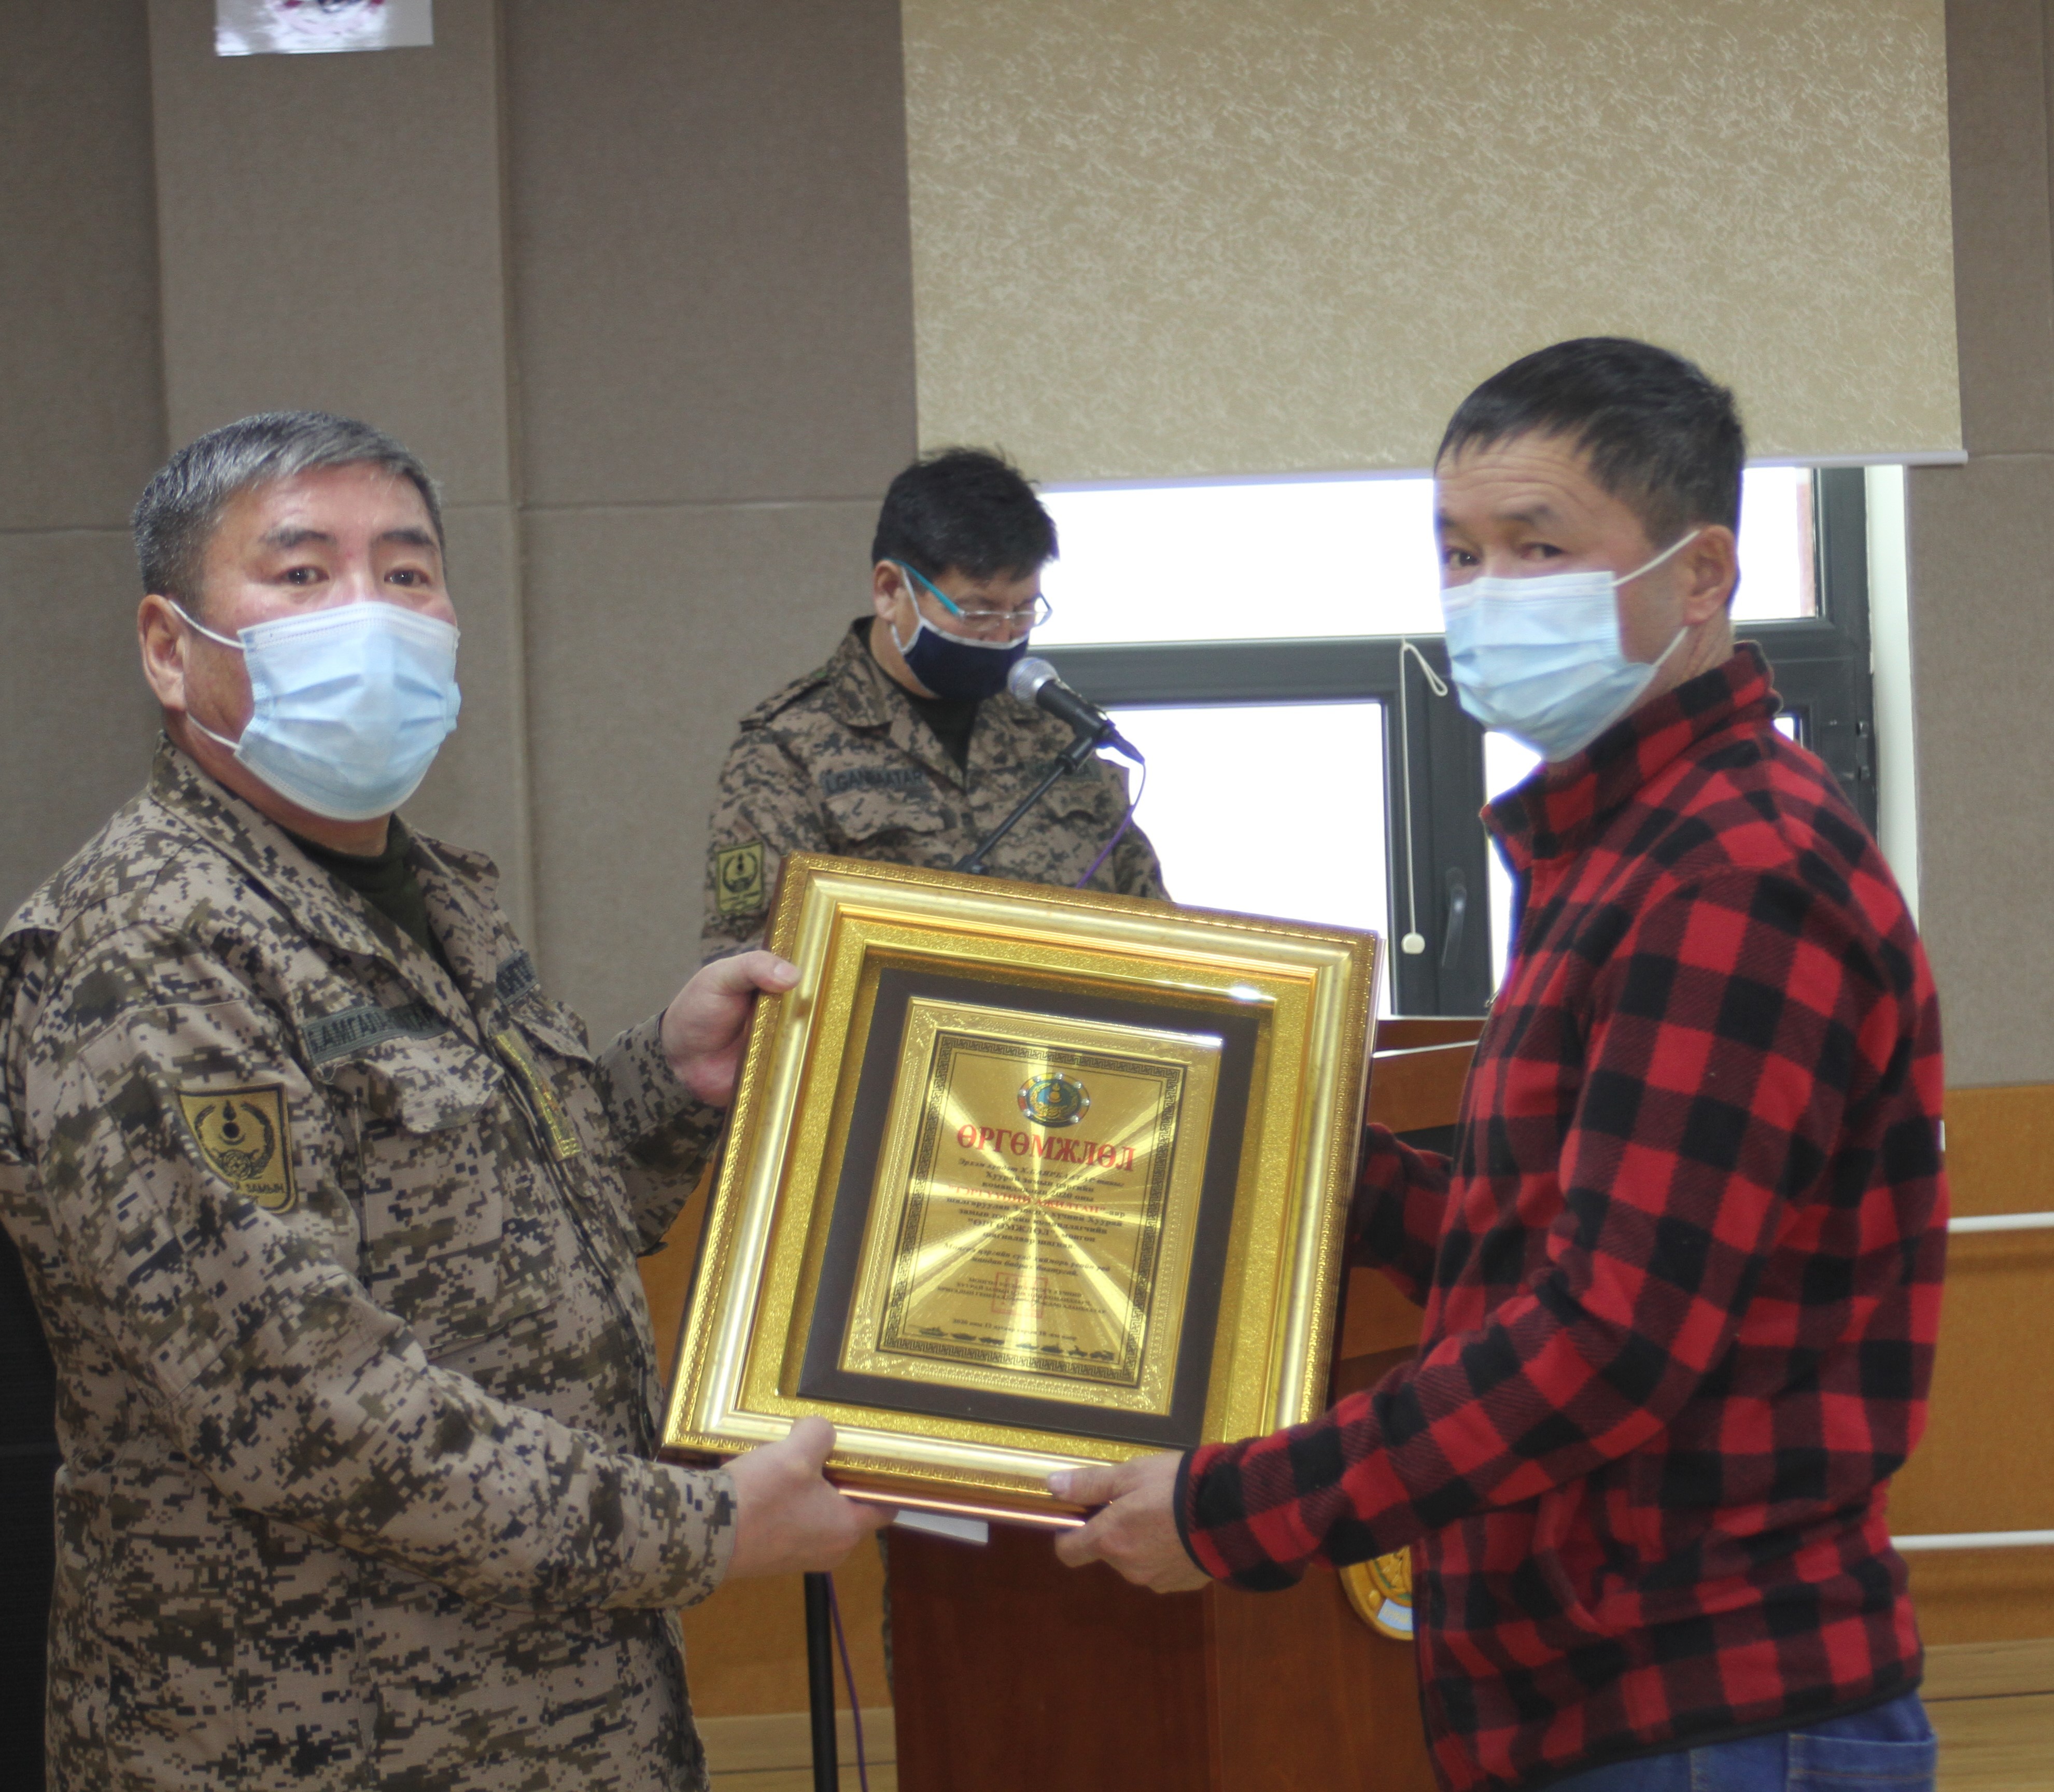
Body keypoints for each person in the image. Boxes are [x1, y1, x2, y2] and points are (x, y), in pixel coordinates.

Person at [1052, 340, 1948, 1792]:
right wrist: (1273, 1157)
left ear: (1701, 574)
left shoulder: (1732, 873)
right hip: (1603, 1694)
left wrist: (1233, 1511)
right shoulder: (1624, 847)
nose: (1485, 595)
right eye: (1459, 554)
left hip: (1702, 1702)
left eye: (1538, 548)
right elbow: (1533, 1247)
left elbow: (1610, 1337)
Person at [0, 412, 891, 1792]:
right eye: (303, 573)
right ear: (170, 649)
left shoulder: (438, 898)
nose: (370, 612)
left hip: (559, 1708)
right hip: (321, 1737)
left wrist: (671, 1079)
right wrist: (706, 1529)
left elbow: (524, 1228)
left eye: (407, 572)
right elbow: (305, 1410)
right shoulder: (149, 952)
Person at [699, 447, 1165, 960]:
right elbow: (753, 963)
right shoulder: (785, 751)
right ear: (889, 591)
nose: (1004, 634)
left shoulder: (1059, 735)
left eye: (1023, 610)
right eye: (977, 612)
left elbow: (1153, 932)